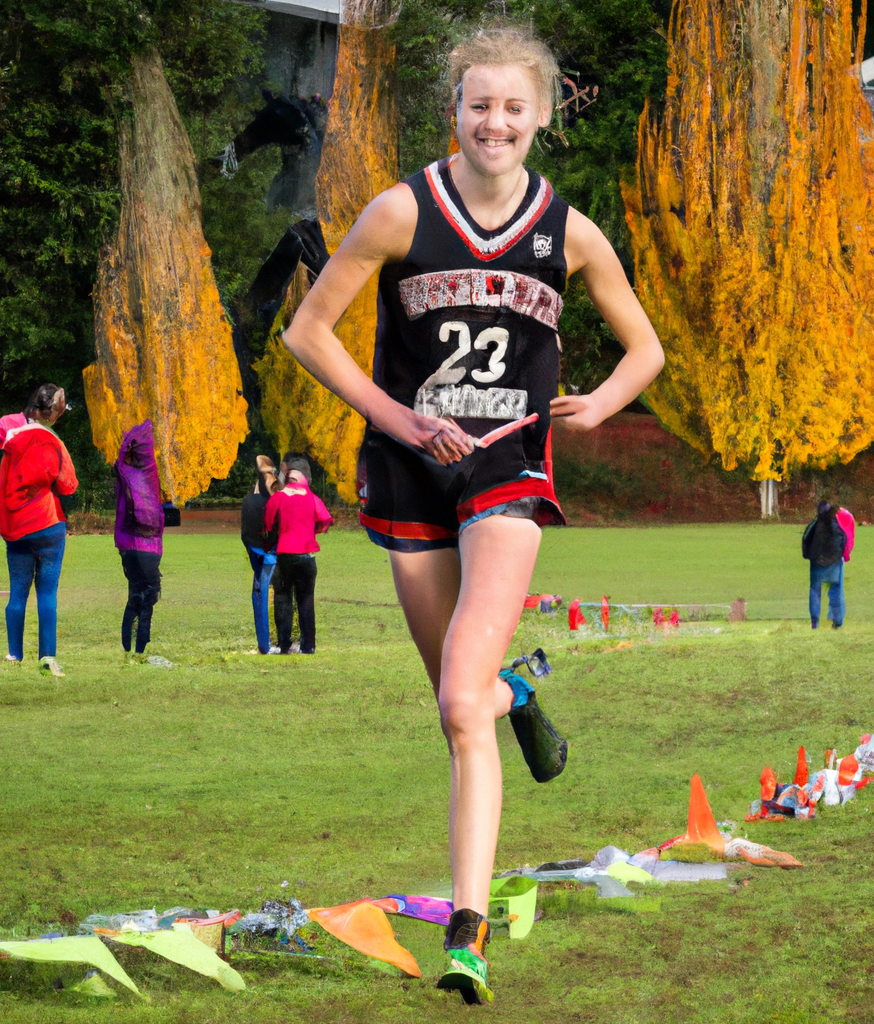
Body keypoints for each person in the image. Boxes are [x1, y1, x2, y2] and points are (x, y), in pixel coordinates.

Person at [282, 23, 664, 1003]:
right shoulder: (400, 211)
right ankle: (519, 693)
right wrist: (399, 418)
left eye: (512, 106)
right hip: (410, 474)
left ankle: (466, 933)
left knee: (458, 700)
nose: (494, 121)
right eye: (477, 104)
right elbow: (308, 332)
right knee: (464, 711)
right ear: (453, 111)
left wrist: (606, 401)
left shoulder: (566, 231)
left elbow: (644, 348)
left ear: (541, 114)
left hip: (507, 472)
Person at [0, 383, 79, 676]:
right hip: (48, 525)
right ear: (51, 413)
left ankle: (14, 654)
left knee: (17, 593)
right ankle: (47, 656)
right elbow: (68, 485)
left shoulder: (10, 440)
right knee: (47, 594)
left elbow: (4, 487)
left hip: (17, 529)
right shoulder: (52, 441)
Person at [263, 467, 333, 655]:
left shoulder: (278, 497)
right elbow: (325, 519)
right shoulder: (311, 497)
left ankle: (284, 645)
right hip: (306, 557)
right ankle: (308, 646)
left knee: (282, 600)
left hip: (284, 555)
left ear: (287, 481)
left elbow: (268, 522)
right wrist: (311, 532)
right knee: (306, 602)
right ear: (302, 481)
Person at [114, 421, 164, 655]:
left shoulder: (123, 472)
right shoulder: (150, 472)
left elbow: (122, 457)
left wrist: (127, 441)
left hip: (127, 544)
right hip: (150, 545)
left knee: (134, 591)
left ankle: (128, 644)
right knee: (149, 594)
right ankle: (140, 645)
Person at [241, 455, 282, 654]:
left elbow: (245, 534)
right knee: (278, 596)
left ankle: (265, 643)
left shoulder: (250, 499)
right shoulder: (278, 495)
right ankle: (278, 641)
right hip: (275, 554)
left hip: (260, 553)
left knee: (261, 594)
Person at [802, 501, 848, 629]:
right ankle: (838, 621)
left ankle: (815, 622)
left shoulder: (815, 524)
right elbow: (844, 540)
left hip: (817, 562)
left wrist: (809, 556)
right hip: (834, 562)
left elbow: (806, 539)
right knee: (836, 590)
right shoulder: (836, 524)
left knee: (815, 591)